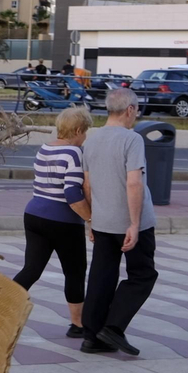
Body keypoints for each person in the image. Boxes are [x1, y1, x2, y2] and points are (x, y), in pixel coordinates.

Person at [79, 87, 157, 356]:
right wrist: (134, 224)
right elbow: (134, 183)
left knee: (101, 276)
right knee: (143, 274)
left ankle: (91, 336)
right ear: (130, 110)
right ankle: (113, 327)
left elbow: (87, 185)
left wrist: (90, 219)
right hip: (132, 224)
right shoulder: (132, 139)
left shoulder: (91, 141)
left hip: (102, 222)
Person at [13, 107, 93, 337]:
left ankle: (1, 308)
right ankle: (77, 325)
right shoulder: (74, 153)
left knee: (32, 269)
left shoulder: (44, 148)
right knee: (75, 272)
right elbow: (72, 193)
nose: (85, 137)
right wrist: (90, 219)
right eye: (85, 132)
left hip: (34, 214)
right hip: (63, 221)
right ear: (78, 130)